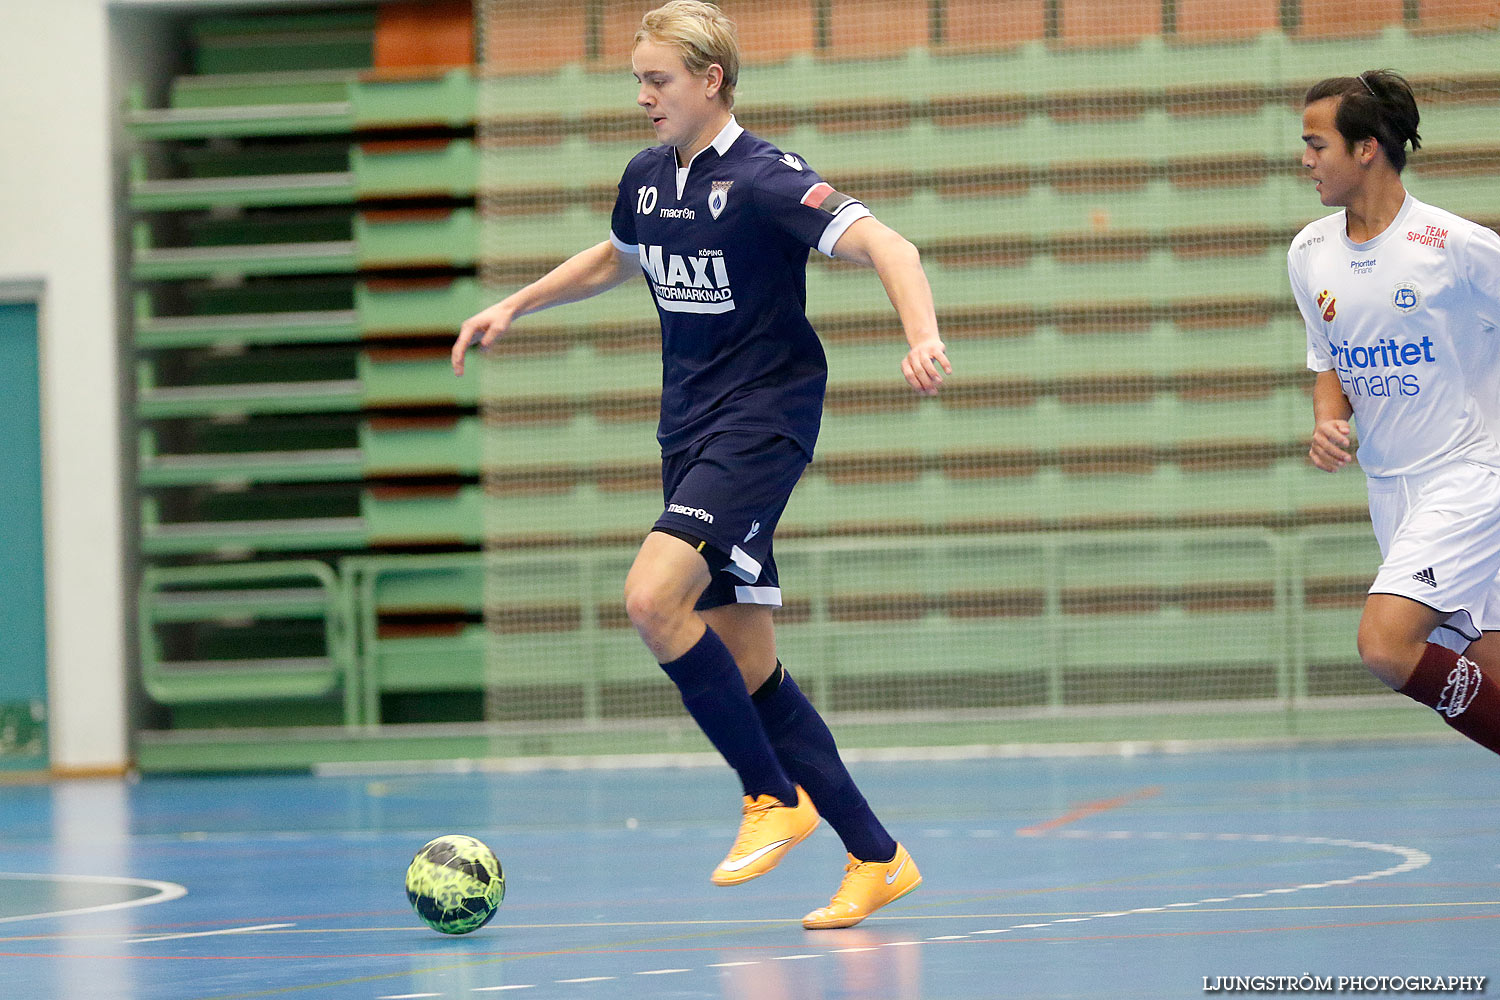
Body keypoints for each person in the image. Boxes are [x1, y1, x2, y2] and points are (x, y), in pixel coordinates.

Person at [452, 0, 948, 928]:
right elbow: (618, 258)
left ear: (711, 81)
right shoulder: (647, 178)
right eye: (638, 79)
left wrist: (919, 335)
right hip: (689, 433)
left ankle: (771, 796)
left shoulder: (765, 179)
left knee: (650, 597)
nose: (642, 96)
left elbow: (890, 244)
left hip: (760, 424)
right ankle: (877, 857)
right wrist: (515, 304)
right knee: (750, 666)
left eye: (658, 79)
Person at [1291, 69, 1500, 755]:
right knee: (1488, 671)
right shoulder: (1309, 254)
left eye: (1317, 144)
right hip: (1391, 492)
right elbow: (1329, 362)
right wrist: (1329, 421)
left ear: (1367, 149)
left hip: (1469, 478)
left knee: (1384, 643)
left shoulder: (1455, 248)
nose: (1305, 159)